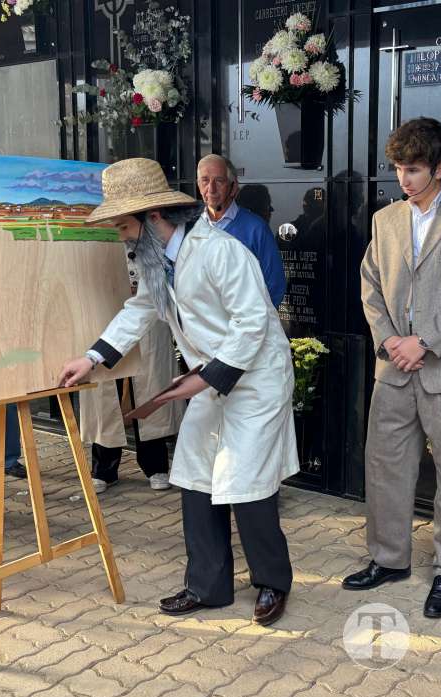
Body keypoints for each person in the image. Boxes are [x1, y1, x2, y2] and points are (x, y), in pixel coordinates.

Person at [58, 158, 296, 626]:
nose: (121, 236)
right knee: (196, 475)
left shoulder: (220, 251)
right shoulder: (157, 261)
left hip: (256, 376)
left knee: (246, 482)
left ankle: (271, 582)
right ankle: (208, 587)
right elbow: (140, 310)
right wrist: (91, 357)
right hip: (214, 377)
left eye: (124, 226)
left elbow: (253, 322)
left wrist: (209, 377)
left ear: (152, 217)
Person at [344, 117, 441, 618]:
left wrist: (425, 342)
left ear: (440, 168)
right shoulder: (386, 220)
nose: (403, 179)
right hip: (393, 368)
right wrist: (389, 341)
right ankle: (388, 558)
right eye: (397, 169)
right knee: (385, 465)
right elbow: (369, 284)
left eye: (413, 170)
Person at [78, 220, 183, 495]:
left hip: (146, 315)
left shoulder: (158, 237)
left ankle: (155, 464)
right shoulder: (94, 231)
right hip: (107, 312)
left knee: (150, 389)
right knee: (104, 393)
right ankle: (104, 468)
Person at [196, 154, 285, 307]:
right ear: (198, 185)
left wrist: (249, 325)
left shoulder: (256, 229)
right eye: (205, 180)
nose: (211, 188)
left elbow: (275, 284)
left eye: (219, 180)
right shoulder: (190, 227)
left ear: (233, 187)